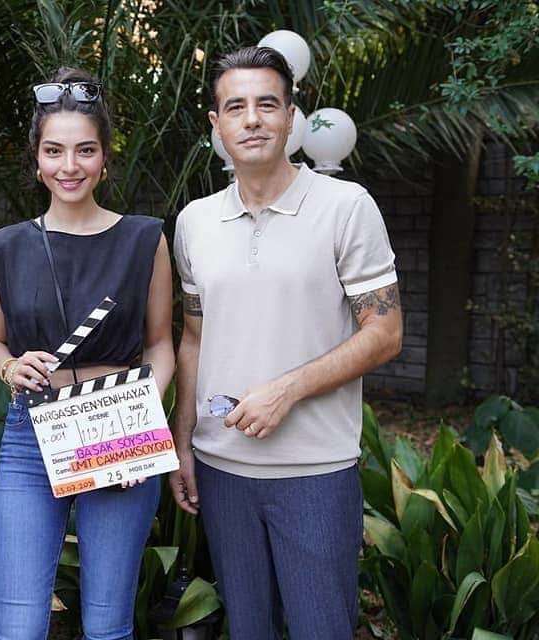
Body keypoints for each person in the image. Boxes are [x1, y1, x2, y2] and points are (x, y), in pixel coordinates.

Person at [169, 46, 403, 639]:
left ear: (292, 117)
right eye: (236, 107)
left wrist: (287, 389)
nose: (252, 119)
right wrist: (184, 442)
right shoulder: (194, 222)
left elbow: (385, 332)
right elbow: (194, 337)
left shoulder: (346, 207)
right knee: (249, 629)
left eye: (267, 104)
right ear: (216, 124)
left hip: (315, 473)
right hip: (222, 469)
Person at [0, 67, 174, 640]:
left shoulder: (145, 239)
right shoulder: (4, 247)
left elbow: (161, 345)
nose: (70, 166)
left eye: (85, 150)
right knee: (17, 628)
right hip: (31, 434)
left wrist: (137, 424)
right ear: (36, 161)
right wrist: (9, 366)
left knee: (108, 625)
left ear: (105, 159)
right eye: (55, 151)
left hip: (116, 426)